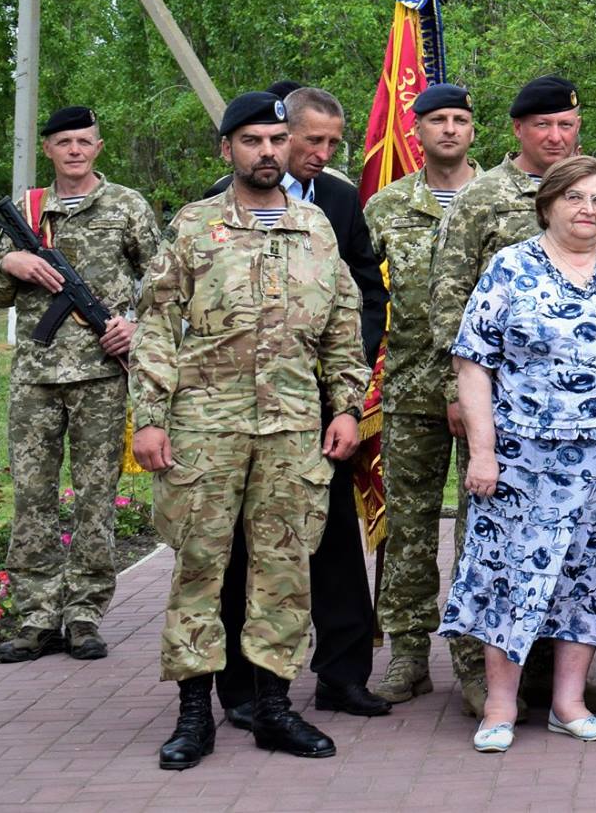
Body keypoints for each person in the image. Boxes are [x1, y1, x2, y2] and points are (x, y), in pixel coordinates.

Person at [131, 92, 370, 769]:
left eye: (275, 139)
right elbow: (154, 327)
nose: (266, 151)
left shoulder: (317, 227)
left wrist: (346, 406)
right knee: (201, 568)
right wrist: (149, 417)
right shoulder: (193, 226)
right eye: (251, 140)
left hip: (293, 429)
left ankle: (273, 708)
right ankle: (193, 715)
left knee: (284, 571)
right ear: (227, 149)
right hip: (206, 427)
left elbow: (343, 332)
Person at [441, 155, 596, 754]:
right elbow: (473, 362)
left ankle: (568, 701)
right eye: (574, 197)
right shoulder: (511, 266)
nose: (588, 210)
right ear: (547, 205)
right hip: (526, 460)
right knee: (510, 573)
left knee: (592, 575)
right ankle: (499, 703)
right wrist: (483, 451)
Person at [210, 85, 392, 724]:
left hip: (325, 400)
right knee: (243, 544)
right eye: (308, 140)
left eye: (331, 143)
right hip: (240, 406)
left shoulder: (340, 202)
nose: (318, 153)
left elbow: (367, 290)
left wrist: (344, 366)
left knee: (334, 536)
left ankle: (342, 675)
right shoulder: (213, 210)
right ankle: (240, 688)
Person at [424, 73, 596, 717]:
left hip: (574, 415)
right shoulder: (482, 196)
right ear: (519, 130)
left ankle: (550, 677)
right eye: (543, 126)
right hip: (498, 406)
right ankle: (478, 674)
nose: (557, 136)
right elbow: (451, 297)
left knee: (568, 543)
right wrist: (458, 394)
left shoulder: (591, 191)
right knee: (491, 542)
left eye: (567, 124)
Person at [0, 105, 161, 664]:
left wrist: (136, 326)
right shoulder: (29, 211)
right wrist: (11, 263)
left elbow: (162, 279)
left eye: (84, 141)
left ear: (99, 147)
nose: (75, 151)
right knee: (33, 498)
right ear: (49, 150)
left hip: (101, 377)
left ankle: (85, 612)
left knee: (94, 499)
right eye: (64, 142)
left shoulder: (126, 206)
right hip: (35, 378)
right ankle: (37, 616)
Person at [363, 82, 480, 703]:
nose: (450, 130)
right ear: (417, 131)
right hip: (409, 389)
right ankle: (407, 652)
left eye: (461, 119)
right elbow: (362, 295)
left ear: (473, 130)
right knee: (409, 529)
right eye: (438, 120)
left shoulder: (503, 201)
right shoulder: (385, 207)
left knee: (480, 529)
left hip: (488, 395)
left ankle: (476, 657)